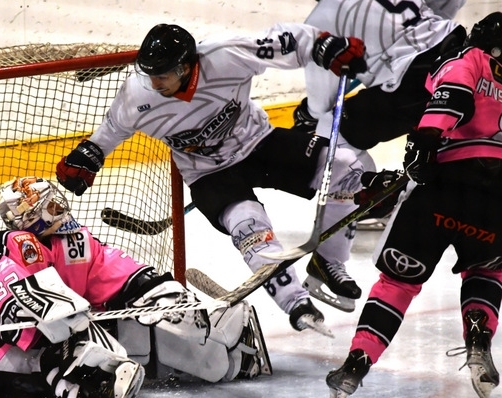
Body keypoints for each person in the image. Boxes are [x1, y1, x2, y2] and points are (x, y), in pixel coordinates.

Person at [55, 22, 369, 333]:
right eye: (150, 74)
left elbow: (287, 41)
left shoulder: (226, 55)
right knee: (249, 227)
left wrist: (324, 45)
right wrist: (88, 156)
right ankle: (295, 302)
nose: (154, 82)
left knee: (345, 167)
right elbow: (109, 134)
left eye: (161, 75)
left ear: (185, 66)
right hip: (209, 174)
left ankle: (329, 262)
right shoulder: (137, 95)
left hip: (258, 142)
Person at [0, 177, 271, 398]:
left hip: (61, 334)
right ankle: (92, 392)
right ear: (30, 218)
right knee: (74, 339)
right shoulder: (2, 246)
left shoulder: (75, 240)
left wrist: (158, 292)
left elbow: (113, 269)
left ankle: (226, 354)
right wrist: (73, 324)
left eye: (54, 200)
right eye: (48, 206)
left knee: (142, 326)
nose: (58, 208)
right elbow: (17, 302)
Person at [325, 12, 502, 398]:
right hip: (496, 201)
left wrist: (422, 145)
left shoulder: (467, 58)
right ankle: (478, 340)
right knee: (487, 269)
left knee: (398, 284)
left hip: (445, 187)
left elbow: (452, 96)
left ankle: (357, 362)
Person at [293, 0, 467, 230]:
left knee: (330, 128)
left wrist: (307, 113)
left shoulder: (322, 19)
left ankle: (375, 199)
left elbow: (321, 105)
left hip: (415, 83)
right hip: (463, 60)